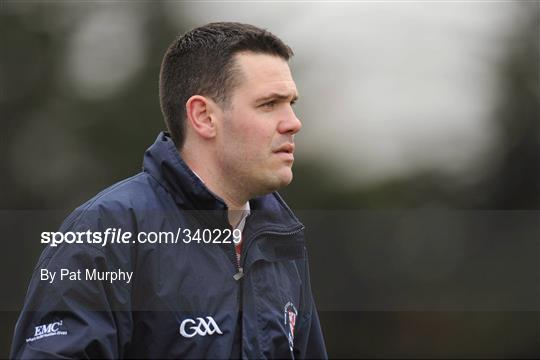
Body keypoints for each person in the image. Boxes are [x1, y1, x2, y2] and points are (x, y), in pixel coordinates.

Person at [11, 22, 327, 359]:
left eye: (291, 102)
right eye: (269, 104)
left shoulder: (281, 237)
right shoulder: (103, 234)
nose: (293, 122)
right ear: (204, 116)